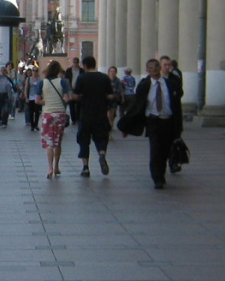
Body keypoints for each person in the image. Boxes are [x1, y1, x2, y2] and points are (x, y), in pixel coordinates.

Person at [119, 57, 183, 189]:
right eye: (151, 67)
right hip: (153, 121)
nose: (154, 69)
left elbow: (177, 104)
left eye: (156, 66)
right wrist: (125, 126)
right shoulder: (144, 85)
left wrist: (178, 126)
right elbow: (136, 106)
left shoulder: (169, 84)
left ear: (160, 68)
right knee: (155, 149)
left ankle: (162, 172)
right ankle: (157, 178)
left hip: (168, 121)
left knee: (165, 150)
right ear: (147, 70)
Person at [72, 56, 116, 177]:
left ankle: (85, 168)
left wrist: (81, 97)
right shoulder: (104, 78)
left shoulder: (82, 78)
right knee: (101, 137)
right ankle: (102, 155)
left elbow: (75, 96)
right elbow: (111, 96)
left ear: (85, 66)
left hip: (86, 114)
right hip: (101, 113)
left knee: (84, 140)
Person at [38, 60, 70, 179]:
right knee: (58, 141)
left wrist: (45, 102)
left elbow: (37, 100)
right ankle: (57, 166)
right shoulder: (63, 82)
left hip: (47, 114)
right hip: (60, 114)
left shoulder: (42, 83)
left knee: (49, 143)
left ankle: (50, 168)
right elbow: (67, 99)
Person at [64, 57, 83, 125]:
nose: (75, 64)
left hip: (78, 89)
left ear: (78, 63)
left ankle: (78, 118)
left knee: (79, 104)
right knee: (71, 105)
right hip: (70, 89)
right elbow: (66, 79)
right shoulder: (69, 70)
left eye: (76, 62)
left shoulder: (81, 71)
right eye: (74, 62)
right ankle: (73, 119)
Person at [25, 67, 42, 132]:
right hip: (30, 97)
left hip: (37, 97)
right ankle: (32, 125)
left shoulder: (39, 79)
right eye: (33, 71)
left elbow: (41, 88)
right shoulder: (28, 79)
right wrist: (26, 97)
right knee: (31, 112)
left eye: (36, 71)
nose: (35, 72)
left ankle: (36, 124)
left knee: (37, 112)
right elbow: (26, 88)